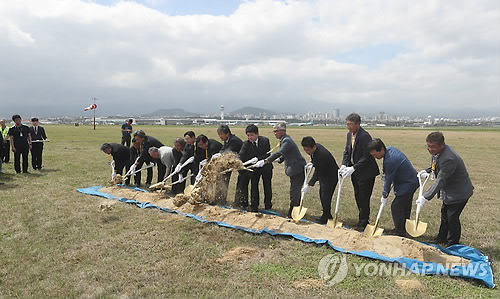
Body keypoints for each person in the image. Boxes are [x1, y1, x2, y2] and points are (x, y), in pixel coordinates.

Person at [418, 132, 474, 246]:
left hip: (459, 192)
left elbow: (441, 180)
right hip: (449, 192)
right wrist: (427, 170)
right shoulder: (438, 152)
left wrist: (425, 196)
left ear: (442, 145)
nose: (429, 149)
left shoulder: (449, 158)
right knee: (445, 214)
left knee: (452, 217)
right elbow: (436, 164)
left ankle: (453, 243)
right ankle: (441, 238)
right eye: (428, 146)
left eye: (432, 146)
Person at [368, 138, 418, 237]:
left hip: (408, 183)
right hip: (410, 181)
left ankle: (399, 232)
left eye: (375, 155)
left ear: (382, 149)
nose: (374, 157)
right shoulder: (389, 149)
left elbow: (388, 179)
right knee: (404, 206)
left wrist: (385, 194)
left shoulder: (390, 160)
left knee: (396, 206)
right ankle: (403, 228)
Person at [255, 122, 306, 218]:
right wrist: (280, 159)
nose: (274, 133)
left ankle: (293, 213)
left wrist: (266, 161)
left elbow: (280, 152)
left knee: (294, 192)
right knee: (294, 191)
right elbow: (285, 153)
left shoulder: (287, 141)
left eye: (276, 131)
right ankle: (293, 212)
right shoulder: (284, 140)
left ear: (283, 131)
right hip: (294, 169)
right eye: (274, 131)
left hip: (297, 169)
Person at [339, 113, 380, 230]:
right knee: (357, 195)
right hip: (355, 172)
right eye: (347, 124)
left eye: (351, 125)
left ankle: (363, 222)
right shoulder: (349, 135)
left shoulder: (364, 136)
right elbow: (347, 151)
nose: (349, 127)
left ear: (358, 124)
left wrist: (354, 167)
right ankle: (361, 219)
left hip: (366, 173)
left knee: (364, 197)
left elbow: (367, 156)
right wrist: (344, 164)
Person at [301, 136, 339, 224]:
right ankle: (327, 215)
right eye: (305, 150)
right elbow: (315, 160)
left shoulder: (321, 155)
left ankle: (325, 218)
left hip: (331, 177)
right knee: (322, 195)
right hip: (324, 174)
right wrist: (312, 162)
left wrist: (309, 185)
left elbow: (318, 173)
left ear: (314, 147)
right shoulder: (316, 149)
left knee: (326, 197)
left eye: (308, 150)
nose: (307, 152)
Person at [237, 124, 273, 212]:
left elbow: (268, 154)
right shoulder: (245, 144)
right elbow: (241, 155)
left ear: (257, 134)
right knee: (254, 186)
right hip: (255, 169)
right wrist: (237, 162)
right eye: (248, 135)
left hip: (266, 167)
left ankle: (268, 205)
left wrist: (259, 159)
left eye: (252, 135)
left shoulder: (265, 141)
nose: (250, 137)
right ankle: (254, 206)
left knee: (267, 186)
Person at [214, 125, 243, 205]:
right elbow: (223, 149)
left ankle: (239, 203)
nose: (220, 136)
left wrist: (221, 154)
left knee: (241, 182)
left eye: (221, 134)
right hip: (231, 162)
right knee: (221, 177)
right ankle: (219, 200)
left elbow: (229, 151)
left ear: (227, 133)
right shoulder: (226, 140)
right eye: (219, 134)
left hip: (242, 162)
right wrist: (218, 154)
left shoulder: (234, 140)